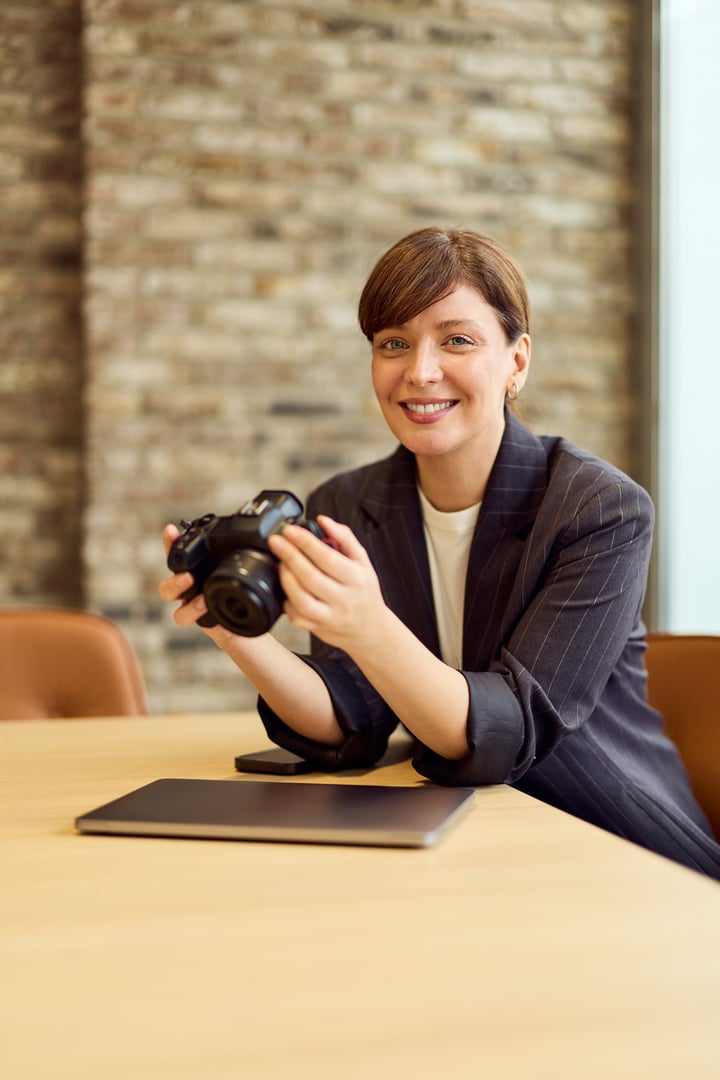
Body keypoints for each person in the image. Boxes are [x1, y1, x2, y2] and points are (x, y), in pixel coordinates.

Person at [159, 226, 720, 879]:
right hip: (457, 842)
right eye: (393, 343)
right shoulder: (347, 501)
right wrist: (235, 635)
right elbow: (351, 717)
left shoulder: (600, 509)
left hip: (609, 842)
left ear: (517, 361)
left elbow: (506, 732)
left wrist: (369, 627)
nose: (420, 371)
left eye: (457, 340)